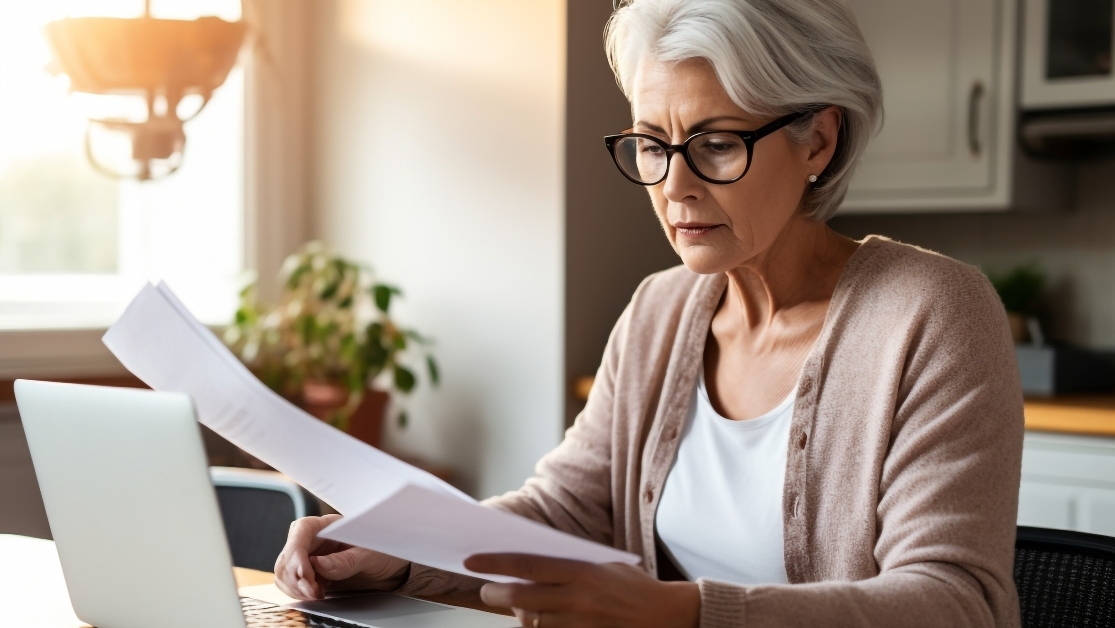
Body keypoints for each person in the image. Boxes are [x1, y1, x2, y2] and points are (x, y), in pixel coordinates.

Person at [274, 0, 1025, 626]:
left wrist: (683, 613)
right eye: (651, 145)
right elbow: (566, 511)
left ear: (818, 140)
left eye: (716, 144)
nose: (675, 186)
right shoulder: (659, 311)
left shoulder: (931, 314)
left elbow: (957, 601)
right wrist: (403, 550)